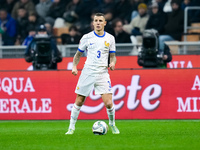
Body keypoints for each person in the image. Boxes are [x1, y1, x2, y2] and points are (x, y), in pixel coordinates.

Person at [65, 13, 120, 135]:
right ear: (93, 23)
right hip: (88, 71)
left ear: (105, 23)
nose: (98, 23)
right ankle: (71, 128)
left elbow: (113, 57)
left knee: (109, 103)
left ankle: (112, 124)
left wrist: (112, 63)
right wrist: (74, 66)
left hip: (102, 72)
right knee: (79, 100)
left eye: (101, 20)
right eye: (96, 20)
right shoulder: (87, 37)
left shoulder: (110, 38)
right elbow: (78, 54)